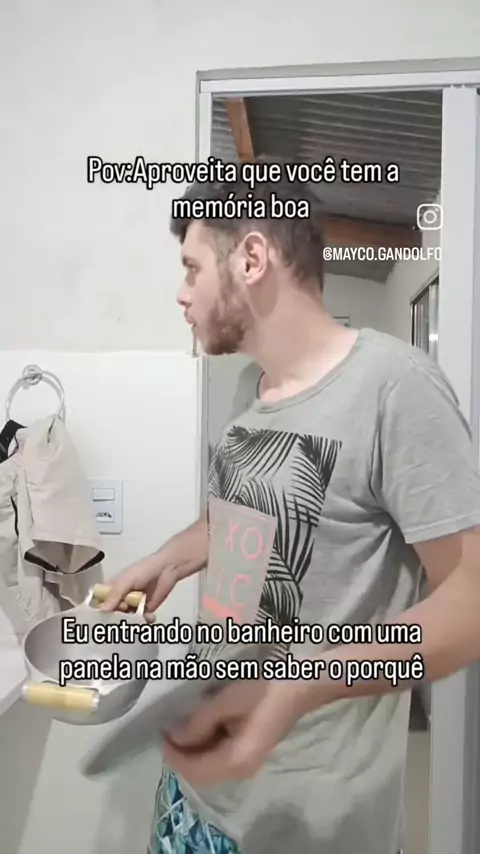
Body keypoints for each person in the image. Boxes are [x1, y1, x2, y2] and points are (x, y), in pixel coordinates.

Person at [103, 160, 480, 854]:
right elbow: (236, 517)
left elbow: (470, 605)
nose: (182, 293)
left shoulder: (397, 388)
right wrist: (169, 561)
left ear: (251, 259)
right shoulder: (252, 387)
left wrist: (297, 689)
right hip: (196, 794)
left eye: (192, 268)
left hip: (309, 822)